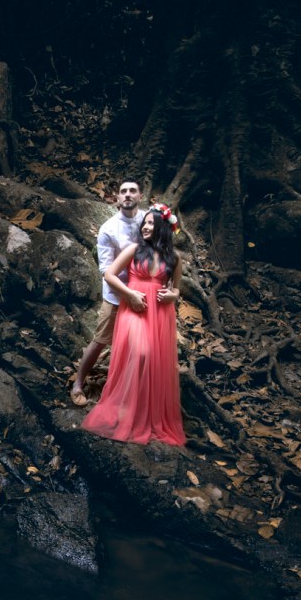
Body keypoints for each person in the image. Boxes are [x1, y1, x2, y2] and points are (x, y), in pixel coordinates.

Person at [81, 203, 186, 446]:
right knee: (141, 353)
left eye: (150, 223)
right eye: (144, 223)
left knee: (154, 361)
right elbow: (109, 274)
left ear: (163, 228)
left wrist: (172, 295)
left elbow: (177, 288)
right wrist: (129, 294)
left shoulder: (174, 258)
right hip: (135, 308)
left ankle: (143, 412)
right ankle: (123, 408)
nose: (145, 227)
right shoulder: (134, 249)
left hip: (160, 313)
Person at [71, 179, 144, 406]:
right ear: (117, 198)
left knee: (140, 344)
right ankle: (78, 383)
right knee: (100, 340)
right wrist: (129, 294)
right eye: (123, 191)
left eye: (132, 191)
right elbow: (106, 270)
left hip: (144, 293)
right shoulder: (109, 229)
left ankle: (135, 390)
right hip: (117, 295)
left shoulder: (148, 220)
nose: (128, 194)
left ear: (140, 196)